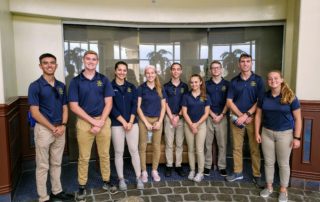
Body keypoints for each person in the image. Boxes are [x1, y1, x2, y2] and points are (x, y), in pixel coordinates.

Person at [68, 50, 116, 200]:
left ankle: (106, 181)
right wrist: (93, 122)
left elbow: (109, 102)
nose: (91, 61)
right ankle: (82, 185)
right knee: (84, 156)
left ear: (97, 62)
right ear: (83, 60)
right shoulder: (76, 81)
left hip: (103, 120)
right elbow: (74, 106)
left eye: (94, 59)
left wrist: (100, 121)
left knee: (104, 154)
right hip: (84, 123)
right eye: (88, 59)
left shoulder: (104, 79)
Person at [28, 53, 73, 202]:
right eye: (45, 63)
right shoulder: (35, 86)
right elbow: (34, 112)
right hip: (44, 130)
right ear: (41, 66)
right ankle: (43, 197)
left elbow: (65, 108)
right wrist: (52, 127)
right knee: (42, 165)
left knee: (56, 162)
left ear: (56, 65)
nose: (49, 65)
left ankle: (56, 191)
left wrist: (63, 125)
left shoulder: (61, 86)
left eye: (52, 63)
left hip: (60, 129)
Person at [255, 71, 302, 202]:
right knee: (269, 162)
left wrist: (297, 138)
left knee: (283, 164)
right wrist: (257, 133)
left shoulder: (290, 96)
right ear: (267, 81)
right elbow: (258, 115)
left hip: (285, 134)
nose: (273, 80)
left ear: (281, 79)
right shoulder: (264, 96)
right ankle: (269, 186)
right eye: (270, 79)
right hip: (266, 133)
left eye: (276, 78)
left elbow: (298, 119)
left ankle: (283, 189)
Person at [225, 53, 265, 187]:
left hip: (253, 119)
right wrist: (241, 116)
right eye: (242, 61)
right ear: (239, 64)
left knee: (254, 148)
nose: (245, 64)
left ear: (251, 63)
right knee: (236, 147)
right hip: (237, 119)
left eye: (248, 61)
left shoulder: (258, 80)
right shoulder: (234, 81)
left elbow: (260, 100)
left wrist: (247, 115)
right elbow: (229, 102)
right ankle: (238, 172)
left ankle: (256, 174)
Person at [110, 61, 144, 191]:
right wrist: (123, 122)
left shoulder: (132, 87)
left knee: (134, 150)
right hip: (117, 124)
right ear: (115, 71)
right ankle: (121, 179)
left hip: (132, 123)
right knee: (118, 152)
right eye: (119, 70)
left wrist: (130, 121)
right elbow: (111, 107)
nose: (122, 72)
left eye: (124, 70)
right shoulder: (109, 86)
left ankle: (138, 177)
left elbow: (135, 105)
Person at [137, 65, 166, 182]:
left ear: (155, 74)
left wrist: (159, 121)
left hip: (157, 120)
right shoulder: (141, 88)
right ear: (145, 74)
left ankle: (154, 170)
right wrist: (146, 122)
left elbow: (164, 107)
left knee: (156, 146)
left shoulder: (160, 88)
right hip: (144, 119)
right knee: (142, 146)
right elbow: (138, 107)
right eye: (148, 73)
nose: (150, 75)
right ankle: (144, 171)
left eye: (152, 73)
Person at [181, 74, 211, 182]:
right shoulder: (186, 96)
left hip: (201, 125)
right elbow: (184, 112)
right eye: (192, 82)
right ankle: (192, 170)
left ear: (201, 82)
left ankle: (200, 172)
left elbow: (206, 113)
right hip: (188, 125)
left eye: (196, 82)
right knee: (191, 149)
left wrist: (196, 124)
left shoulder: (205, 96)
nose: (194, 84)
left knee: (199, 149)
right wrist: (191, 125)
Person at [204, 61, 229, 177]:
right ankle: (207, 165)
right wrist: (212, 115)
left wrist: (221, 115)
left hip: (222, 116)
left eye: (217, 68)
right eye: (213, 68)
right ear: (210, 70)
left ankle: (222, 166)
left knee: (222, 143)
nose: (215, 70)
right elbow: (203, 101)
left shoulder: (227, 84)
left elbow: (229, 102)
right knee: (207, 143)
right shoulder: (205, 84)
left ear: (221, 69)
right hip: (208, 116)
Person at [163, 63, 188, 177]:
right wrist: (171, 116)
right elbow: (165, 103)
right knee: (169, 143)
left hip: (181, 118)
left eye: (178, 69)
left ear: (181, 71)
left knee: (179, 143)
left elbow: (185, 104)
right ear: (170, 71)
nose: (176, 71)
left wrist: (178, 116)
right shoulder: (165, 86)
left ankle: (178, 165)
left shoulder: (185, 86)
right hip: (169, 117)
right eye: (173, 69)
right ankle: (169, 165)